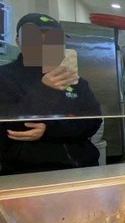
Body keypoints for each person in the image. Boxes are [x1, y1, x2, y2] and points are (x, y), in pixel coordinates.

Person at [0, 13, 102, 175]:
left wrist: (49, 129)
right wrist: (45, 89)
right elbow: (11, 126)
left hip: (84, 168)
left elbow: (93, 121)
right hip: (31, 173)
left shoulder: (74, 79)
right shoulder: (4, 77)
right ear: (19, 42)